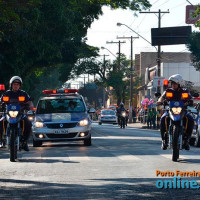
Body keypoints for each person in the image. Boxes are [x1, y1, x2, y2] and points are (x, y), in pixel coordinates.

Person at [157, 74, 194, 150]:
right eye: (172, 83)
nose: (173, 85)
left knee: (190, 119)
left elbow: (190, 99)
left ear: (179, 84)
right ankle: (164, 140)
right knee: (163, 118)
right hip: (170, 110)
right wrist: (159, 101)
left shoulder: (184, 91)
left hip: (182, 111)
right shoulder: (168, 91)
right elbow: (162, 97)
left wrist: (191, 102)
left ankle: (187, 140)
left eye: (175, 83)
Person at [0, 76, 34, 151]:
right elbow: (1, 101)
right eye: (14, 84)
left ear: (20, 85)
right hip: (8, 114)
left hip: (20, 114)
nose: (16, 85)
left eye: (17, 84)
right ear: (11, 85)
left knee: (28, 123)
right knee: (0, 122)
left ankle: (24, 142)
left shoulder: (23, 93)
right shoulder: (6, 93)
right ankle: (1, 140)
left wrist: (30, 106)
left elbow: (29, 102)